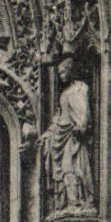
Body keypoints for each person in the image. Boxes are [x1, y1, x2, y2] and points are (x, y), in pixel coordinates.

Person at [41, 53, 94, 213]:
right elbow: (59, 116)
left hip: (72, 137)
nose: (61, 76)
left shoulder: (79, 89)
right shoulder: (64, 93)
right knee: (63, 171)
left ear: (71, 70)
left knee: (70, 167)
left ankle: (76, 202)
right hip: (61, 136)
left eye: (64, 72)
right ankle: (65, 203)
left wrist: (81, 127)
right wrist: (49, 133)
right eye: (59, 73)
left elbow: (83, 112)